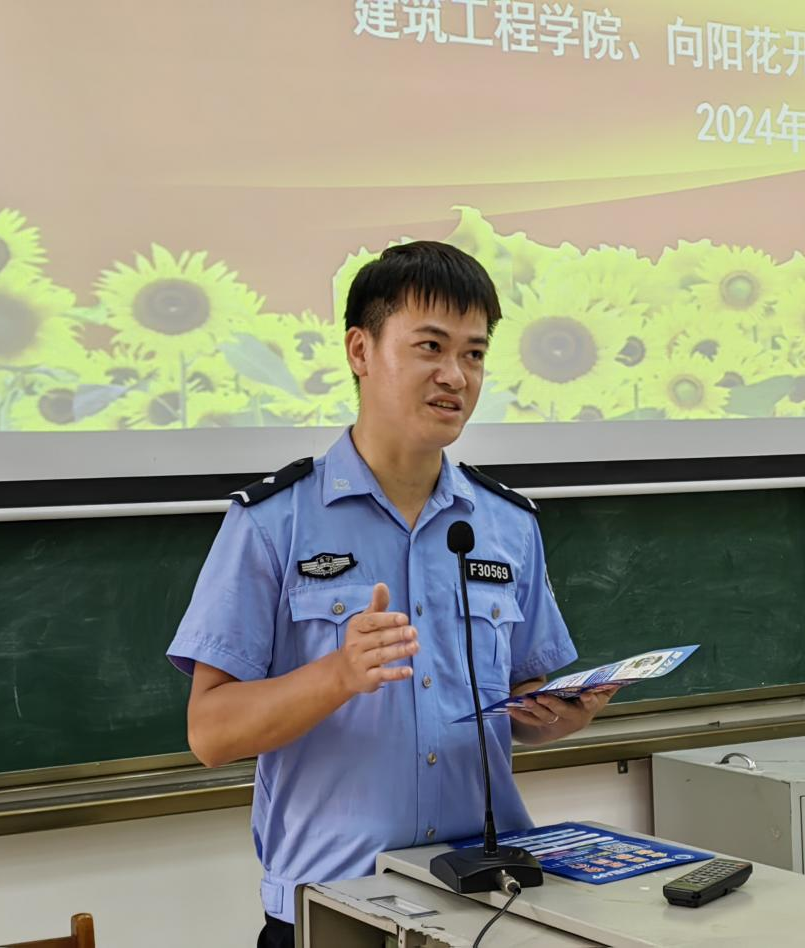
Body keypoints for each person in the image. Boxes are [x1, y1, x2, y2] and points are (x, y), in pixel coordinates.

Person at [166, 241, 618, 947]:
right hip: (336, 912)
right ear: (361, 350)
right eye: (430, 347)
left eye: (474, 354)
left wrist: (557, 715)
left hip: (486, 905)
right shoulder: (273, 522)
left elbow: (521, 703)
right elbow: (210, 733)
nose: (455, 376)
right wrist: (337, 675)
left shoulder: (506, 524)